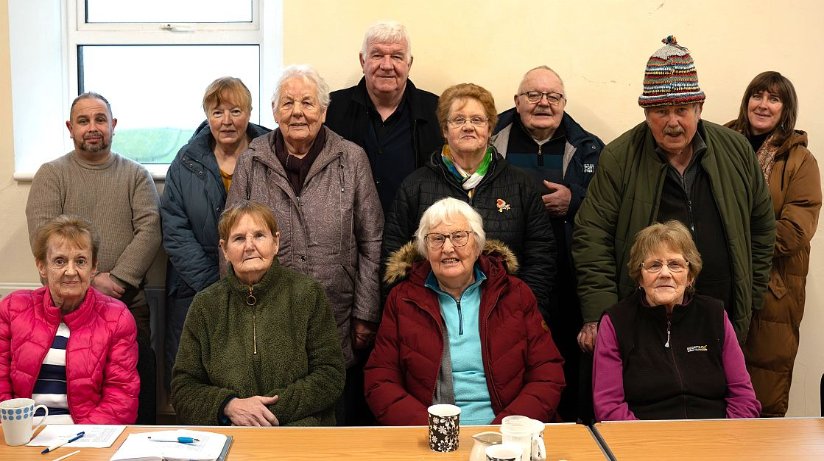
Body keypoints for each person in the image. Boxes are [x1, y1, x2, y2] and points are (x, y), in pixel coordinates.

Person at [572, 36, 775, 355]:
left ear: (699, 107)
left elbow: (762, 227)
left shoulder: (735, 150)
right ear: (645, 112)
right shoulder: (619, 157)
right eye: (661, 111)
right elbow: (591, 235)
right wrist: (601, 315)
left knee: (718, 400)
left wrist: (752, 295)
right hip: (645, 319)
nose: (673, 123)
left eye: (682, 109)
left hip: (723, 318)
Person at [225, 65, 383, 425]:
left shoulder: (352, 158)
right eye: (288, 103)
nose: (298, 111)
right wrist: (233, 307)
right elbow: (232, 234)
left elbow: (372, 239)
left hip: (336, 309)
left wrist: (365, 311)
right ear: (274, 111)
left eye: (308, 103)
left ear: (324, 111)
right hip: (262, 309)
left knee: (327, 403)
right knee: (273, 402)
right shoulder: (252, 160)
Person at [26, 92, 161, 424]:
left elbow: (151, 230)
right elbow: (43, 238)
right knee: (74, 396)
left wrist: (114, 282)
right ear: (70, 128)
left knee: (134, 394)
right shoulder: (51, 174)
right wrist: (88, 282)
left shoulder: (135, 175)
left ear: (113, 125)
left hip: (127, 302)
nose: (93, 127)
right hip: (63, 307)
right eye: (84, 121)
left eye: (100, 120)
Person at [366, 198, 564, 425]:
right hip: (431, 437)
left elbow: (547, 372)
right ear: (425, 249)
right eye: (437, 239)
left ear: (477, 244)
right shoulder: (402, 300)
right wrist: (432, 430)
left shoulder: (515, 295)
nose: (448, 248)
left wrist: (506, 428)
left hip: (508, 433)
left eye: (459, 237)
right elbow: (379, 380)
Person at [383, 83, 556, 317]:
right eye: (458, 120)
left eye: (477, 120)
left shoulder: (521, 185)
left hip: (507, 315)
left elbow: (541, 255)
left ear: (489, 128)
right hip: (431, 316)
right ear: (444, 129)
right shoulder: (415, 186)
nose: (468, 127)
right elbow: (393, 256)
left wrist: (523, 311)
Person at [491, 65, 603, 422]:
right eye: (533, 95)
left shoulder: (589, 147)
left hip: (570, 278)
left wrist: (574, 201)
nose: (543, 103)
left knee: (565, 365)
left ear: (564, 102)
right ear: (517, 101)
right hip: (507, 278)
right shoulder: (491, 139)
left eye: (553, 97)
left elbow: (606, 209)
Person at [171, 201, 345, 426]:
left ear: (276, 242)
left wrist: (261, 413)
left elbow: (330, 376)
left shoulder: (308, 294)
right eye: (239, 238)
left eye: (260, 235)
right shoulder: (206, 304)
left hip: (300, 430)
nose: (249, 246)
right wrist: (229, 406)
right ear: (224, 250)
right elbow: (183, 388)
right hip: (231, 432)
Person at [161, 77, 270, 389]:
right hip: (196, 288)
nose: (227, 121)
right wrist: (215, 283)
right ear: (206, 114)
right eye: (217, 112)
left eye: (235, 111)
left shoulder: (270, 153)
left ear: (249, 112)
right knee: (200, 379)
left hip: (260, 285)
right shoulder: (185, 161)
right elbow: (175, 229)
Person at [593, 221, 761, 420]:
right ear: (640, 277)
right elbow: (609, 407)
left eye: (675, 264)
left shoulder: (714, 315)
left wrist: (724, 438)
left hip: (716, 438)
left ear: (690, 275)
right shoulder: (616, 322)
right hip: (644, 442)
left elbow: (744, 398)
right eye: (654, 265)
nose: (665, 273)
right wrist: (650, 446)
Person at [726, 71, 822, 417]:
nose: (763, 105)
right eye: (758, 95)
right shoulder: (718, 144)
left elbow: (795, 231)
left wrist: (734, 240)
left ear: (786, 109)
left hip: (773, 291)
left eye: (774, 98)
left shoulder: (800, 161)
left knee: (762, 390)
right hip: (719, 282)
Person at [0, 215, 139, 424]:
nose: (71, 271)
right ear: (41, 266)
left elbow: (121, 398)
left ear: (93, 268)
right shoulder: (12, 308)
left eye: (81, 261)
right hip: (20, 434)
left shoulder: (117, 318)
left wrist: (82, 440)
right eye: (59, 261)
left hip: (85, 439)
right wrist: (14, 429)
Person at [325, 20, 442, 213]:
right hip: (350, 237)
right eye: (377, 55)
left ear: (409, 63)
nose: (386, 65)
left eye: (396, 56)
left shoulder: (436, 112)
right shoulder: (332, 109)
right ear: (363, 61)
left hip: (414, 235)